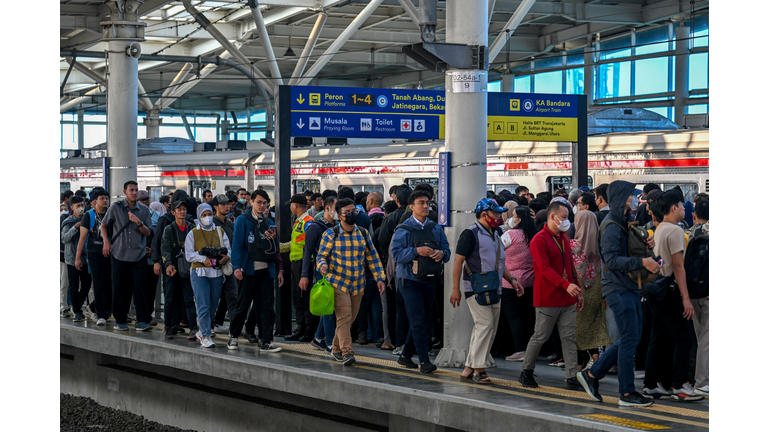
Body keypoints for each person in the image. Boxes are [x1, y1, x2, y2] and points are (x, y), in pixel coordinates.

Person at [576, 180, 661, 407]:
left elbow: (625, 250)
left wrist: (646, 245)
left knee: (629, 338)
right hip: (618, 288)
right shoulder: (613, 225)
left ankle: (592, 374)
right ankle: (626, 393)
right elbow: (612, 260)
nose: (632, 199)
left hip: (629, 287)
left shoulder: (623, 222)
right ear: (620, 197)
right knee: (630, 338)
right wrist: (642, 260)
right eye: (629, 195)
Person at [450, 199, 523, 384]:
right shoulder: (470, 234)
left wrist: (512, 279)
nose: (499, 217)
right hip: (474, 288)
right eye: (496, 213)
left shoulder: (496, 233)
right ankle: (479, 369)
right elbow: (458, 261)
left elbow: (500, 262)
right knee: (485, 324)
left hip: (494, 287)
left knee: (487, 328)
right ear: (485, 215)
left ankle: (468, 368)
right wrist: (455, 288)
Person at [642, 189, 702, 401]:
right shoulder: (676, 231)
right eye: (683, 205)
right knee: (684, 337)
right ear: (674, 207)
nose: (686, 209)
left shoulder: (659, 229)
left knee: (658, 338)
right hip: (669, 290)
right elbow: (678, 265)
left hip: (657, 290)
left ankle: (652, 384)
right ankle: (681, 385)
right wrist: (686, 298)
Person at [518, 201, 583, 389]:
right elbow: (544, 268)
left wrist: (576, 290)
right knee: (540, 336)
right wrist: (567, 285)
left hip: (566, 296)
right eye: (564, 217)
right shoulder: (539, 239)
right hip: (548, 297)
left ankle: (571, 376)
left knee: (569, 337)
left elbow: (570, 266)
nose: (566, 221)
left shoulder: (563, 237)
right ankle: (526, 371)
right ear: (552, 217)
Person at [316, 198, 387, 366]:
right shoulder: (331, 233)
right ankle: (347, 352)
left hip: (358, 284)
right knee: (345, 316)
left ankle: (335, 348)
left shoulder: (363, 233)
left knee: (349, 319)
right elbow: (321, 256)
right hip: (337, 283)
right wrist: (323, 265)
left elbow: (373, 257)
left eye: (353, 211)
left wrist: (380, 278)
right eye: (346, 213)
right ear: (339, 215)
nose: (351, 215)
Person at [391, 190, 451, 373]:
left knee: (423, 320)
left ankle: (406, 356)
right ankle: (424, 361)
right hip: (409, 281)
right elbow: (396, 255)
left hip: (430, 279)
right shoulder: (403, 229)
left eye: (428, 202)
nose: (426, 206)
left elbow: (447, 251)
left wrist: (441, 254)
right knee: (418, 320)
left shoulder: (435, 228)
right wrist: (417, 252)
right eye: (421, 203)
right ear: (411, 206)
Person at [227, 190, 284, 353]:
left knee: (266, 306)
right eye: (259, 202)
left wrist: (273, 240)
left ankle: (266, 340)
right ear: (251, 202)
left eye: (265, 203)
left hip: (266, 271)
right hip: (247, 271)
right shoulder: (243, 221)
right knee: (243, 305)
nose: (262, 206)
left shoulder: (268, 222)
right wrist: (236, 266)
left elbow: (276, 249)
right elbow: (237, 245)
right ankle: (234, 335)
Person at [100, 181, 153, 331]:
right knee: (120, 289)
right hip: (119, 254)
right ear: (125, 192)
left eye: (136, 190)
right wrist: (106, 242)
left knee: (141, 290)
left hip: (139, 255)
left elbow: (148, 232)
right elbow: (104, 224)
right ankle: (120, 320)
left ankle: (142, 321)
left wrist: (138, 222)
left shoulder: (143, 210)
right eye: (131, 190)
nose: (134, 193)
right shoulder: (115, 208)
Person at [184, 204, 231, 348]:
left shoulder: (219, 231)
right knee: (203, 304)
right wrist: (202, 258)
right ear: (199, 216)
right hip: (200, 273)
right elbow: (189, 254)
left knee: (212, 305)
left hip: (216, 272)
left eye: (209, 214)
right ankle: (205, 335)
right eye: (204, 215)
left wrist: (226, 257)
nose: (207, 218)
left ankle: (202, 329)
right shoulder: (192, 233)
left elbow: (228, 248)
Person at [570, 210, 612, 370]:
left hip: (577, 293)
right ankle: (597, 361)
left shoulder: (572, 246)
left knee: (576, 331)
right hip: (596, 292)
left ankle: (578, 367)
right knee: (592, 328)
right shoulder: (601, 248)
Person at [378, 185, 413, 355]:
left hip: (393, 269)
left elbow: (383, 241)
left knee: (392, 307)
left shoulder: (391, 218)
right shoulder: (419, 220)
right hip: (414, 272)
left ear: (396, 199)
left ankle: (392, 340)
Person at [499, 206, 536, 362]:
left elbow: (497, 252)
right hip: (531, 281)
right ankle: (530, 348)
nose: (510, 219)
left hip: (511, 282)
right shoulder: (534, 235)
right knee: (528, 316)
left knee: (514, 317)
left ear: (519, 219)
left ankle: (519, 349)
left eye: (513, 216)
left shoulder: (510, 235)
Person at [302, 196, 338, 353]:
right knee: (328, 307)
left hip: (338, 272)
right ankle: (330, 342)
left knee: (329, 306)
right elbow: (307, 252)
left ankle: (318, 337)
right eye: (337, 208)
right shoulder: (315, 228)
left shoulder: (338, 227)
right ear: (328, 208)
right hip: (322, 272)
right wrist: (304, 275)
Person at [282, 193, 317, 342]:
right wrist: (279, 247)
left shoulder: (308, 222)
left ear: (295, 205)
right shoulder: (299, 222)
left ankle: (309, 330)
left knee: (305, 297)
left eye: (291, 204)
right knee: (298, 298)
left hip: (304, 264)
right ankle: (300, 328)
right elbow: (294, 243)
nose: (290, 207)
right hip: (296, 263)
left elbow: (309, 245)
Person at [160, 200, 197, 339]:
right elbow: (165, 248)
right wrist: (168, 264)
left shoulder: (192, 228)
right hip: (173, 269)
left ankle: (193, 327)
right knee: (170, 298)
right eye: (179, 209)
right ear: (173, 212)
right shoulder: (169, 229)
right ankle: (168, 326)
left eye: (184, 209)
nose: (182, 212)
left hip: (187, 269)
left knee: (189, 299)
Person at [75, 189, 111, 325]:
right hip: (94, 253)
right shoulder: (89, 215)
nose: (105, 200)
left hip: (110, 253)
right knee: (99, 283)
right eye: (102, 198)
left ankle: (95, 306)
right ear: (95, 201)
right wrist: (78, 258)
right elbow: (82, 238)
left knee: (110, 283)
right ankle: (101, 314)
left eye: (107, 198)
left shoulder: (110, 213)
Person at [687, 199, 708, 396]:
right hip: (708, 292)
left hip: (692, 291)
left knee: (698, 336)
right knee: (707, 338)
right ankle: (702, 380)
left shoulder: (688, 233)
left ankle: (694, 377)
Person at [210, 194, 238, 335]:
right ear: (216, 207)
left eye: (228, 204)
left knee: (232, 296)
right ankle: (208, 326)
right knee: (213, 298)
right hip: (214, 267)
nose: (227, 206)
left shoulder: (230, 224)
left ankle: (235, 327)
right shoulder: (211, 224)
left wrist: (231, 258)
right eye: (223, 204)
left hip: (228, 266)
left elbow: (233, 245)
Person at [62, 196, 91, 323]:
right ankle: (77, 312)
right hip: (71, 259)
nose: (80, 208)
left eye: (82, 205)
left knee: (86, 285)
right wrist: (75, 227)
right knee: (73, 286)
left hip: (86, 259)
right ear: (72, 207)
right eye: (77, 206)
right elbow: (64, 239)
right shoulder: (67, 222)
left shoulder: (88, 219)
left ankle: (77, 306)